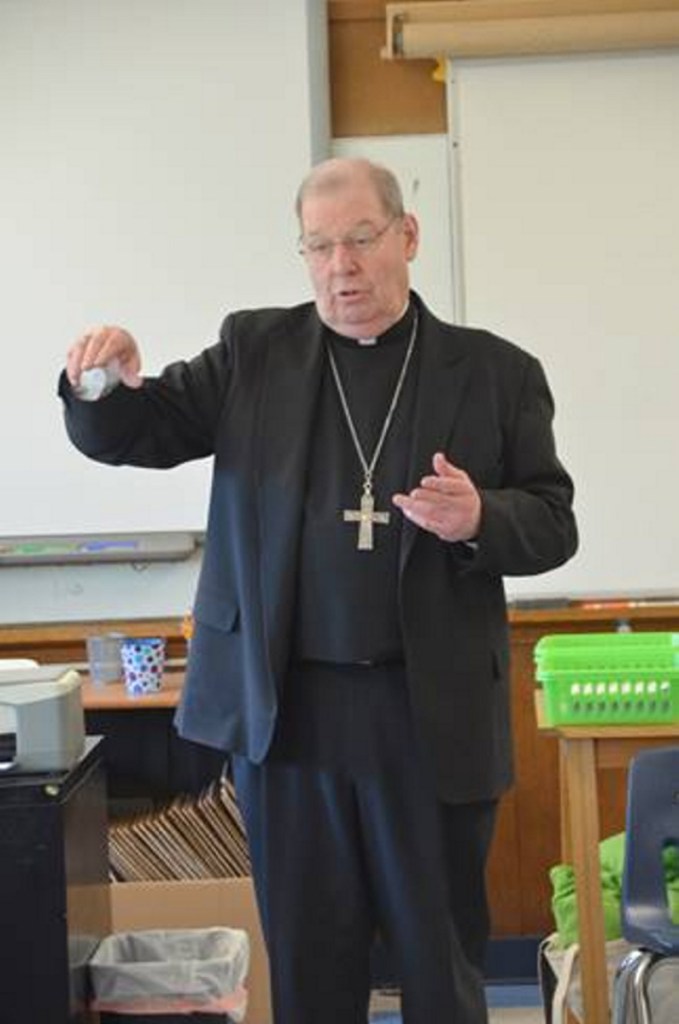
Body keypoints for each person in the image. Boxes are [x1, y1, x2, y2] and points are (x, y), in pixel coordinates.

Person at [60, 157, 577, 1024]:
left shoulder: (495, 372)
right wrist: (98, 384)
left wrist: (479, 515)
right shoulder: (255, 353)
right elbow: (136, 432)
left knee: (439, 964)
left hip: (427, 714)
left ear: (406, 238)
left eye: (361, 240)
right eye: (319, 245)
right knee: (308, 969)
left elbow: (553, 523)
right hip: (288, 717)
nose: (341, 264)